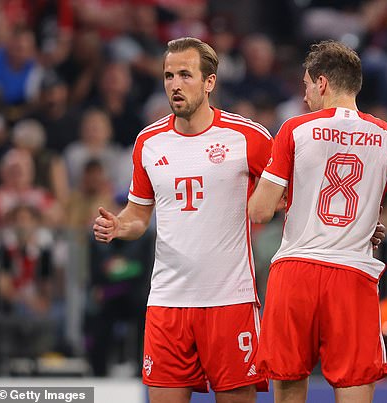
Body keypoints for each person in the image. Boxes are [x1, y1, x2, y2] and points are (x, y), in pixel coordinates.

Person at [247, 40, 387, 403]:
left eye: (305, 86)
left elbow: (259, 211)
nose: (303, 97)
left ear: (321, 83)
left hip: (296, 272)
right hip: (352, 275)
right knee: (354, 388)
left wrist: (289, 197)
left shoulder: (295, 130)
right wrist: (364, 221)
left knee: (288, 388)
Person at [92, 37, 273, 403]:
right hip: (167, 303)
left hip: (230, 302)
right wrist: (118, 226)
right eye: (169, 75)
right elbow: (139, 215)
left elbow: (289, 195)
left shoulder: (248, 137)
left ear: (210, 82)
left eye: (185, 75)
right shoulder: (148, 142)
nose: (175, 84)